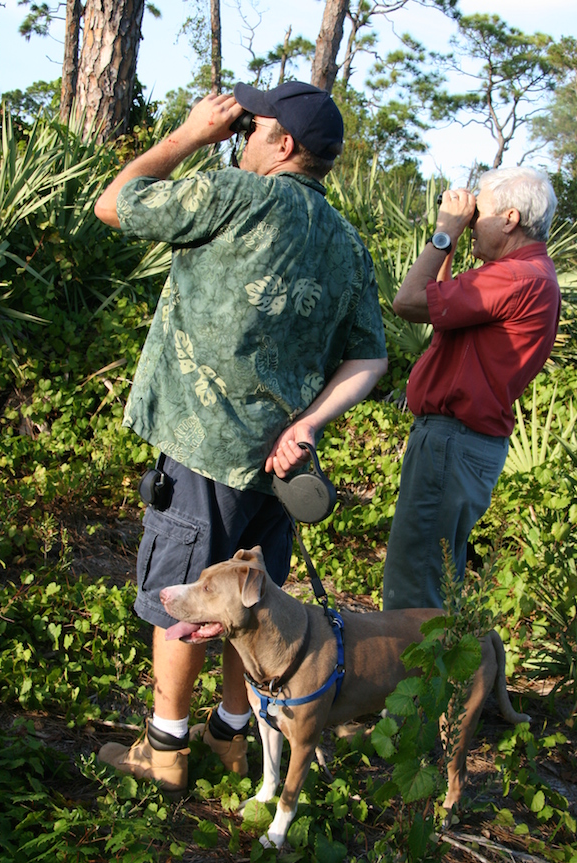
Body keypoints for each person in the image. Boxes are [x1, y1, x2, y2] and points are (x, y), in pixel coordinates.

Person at [93, 82, 388, 791]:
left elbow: (111, 204)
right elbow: (370, 355)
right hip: (284, 467)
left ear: (283, 145)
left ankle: (165, 753)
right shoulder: (347, 242)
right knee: (251, 601)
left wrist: (190, 134)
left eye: (249, 128)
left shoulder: (235, 195)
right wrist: (309, 423)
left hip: (205, 447)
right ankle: (229, 737)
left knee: (183, 598)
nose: (239, 139)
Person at [382, 166, 560, 611]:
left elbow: (408, 301)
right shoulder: (526, 273)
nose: (468, 217)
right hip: (461, 444)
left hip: (452, 442)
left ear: (510, 218)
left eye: (477, 210)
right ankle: (447, 681)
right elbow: (439, 302)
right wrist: (453, 245)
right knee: (435, 581)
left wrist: (443, 232)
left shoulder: (515, 277)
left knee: (414, 593)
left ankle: (416, 681)